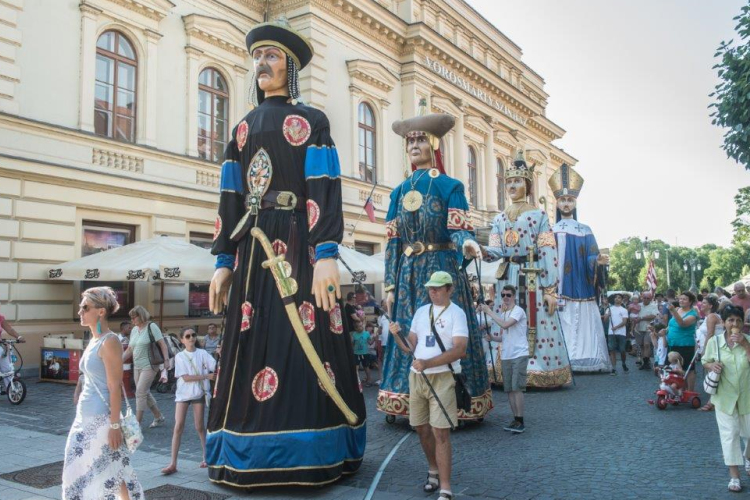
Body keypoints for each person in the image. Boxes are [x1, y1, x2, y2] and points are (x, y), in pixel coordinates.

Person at [206, 19, 366, 487]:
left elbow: (324, 188)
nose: (262, 63)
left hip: (297, 239)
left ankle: (316, 445)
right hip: (254, 248)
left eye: (272, 56)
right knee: (251, 341)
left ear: (291, 67)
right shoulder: (239, 130)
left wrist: (326, 253)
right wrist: (221, 262)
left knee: (304, 338)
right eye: (258, 56)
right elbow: (229, 199)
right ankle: (245, 450)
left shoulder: (314, 122)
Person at [378, 104, 491, 422]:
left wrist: (467, 242)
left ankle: (457, 400)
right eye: (410, 142)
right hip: (408, 275)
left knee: (441, 330)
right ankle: (403, 398)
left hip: (440, 269)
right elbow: (393, 242)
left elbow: (458, 229)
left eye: (420, 141)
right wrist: (389, 283)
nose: (414, 147)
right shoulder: (398, 193)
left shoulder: (450, 186)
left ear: (434, 145)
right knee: (409, 335)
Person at [482, 151, 572, 388]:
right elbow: (494, 250)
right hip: (507, 276)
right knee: (505, 317)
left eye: (517, 181)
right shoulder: (499, 219)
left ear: (528, 185)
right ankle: (503, 367)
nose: (512, 185)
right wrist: (479, 251)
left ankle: (538, 368)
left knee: (535, 320)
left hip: (533, 276)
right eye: (509, 182)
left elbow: (548, 251)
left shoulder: (539, 215)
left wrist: (551, 288)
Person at [389, 271, 468, 500]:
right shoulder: (421, 312)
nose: (432, 292)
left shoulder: (457, 314)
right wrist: (397, 335)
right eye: (430, 289)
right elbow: (409, 346)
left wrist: (428, 362)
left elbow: (459, 349)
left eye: (438, 288)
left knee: (440, 432)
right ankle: (432, 470)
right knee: (421, 428)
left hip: (442, 377)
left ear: (449, 289)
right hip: (417, 378)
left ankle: (445, 487)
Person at [63, 287, 143, 500]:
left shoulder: (110, 341)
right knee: (110, 470)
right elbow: (89, 375)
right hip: (86, 416)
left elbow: (115, 385)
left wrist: (115, 425)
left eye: (85, 307)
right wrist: (79, 391)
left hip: (101, 419)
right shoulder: (94, 339)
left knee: (112, 472)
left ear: (100, 311)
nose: (80, 311)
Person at [548, 164, 611, 372]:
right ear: (556, 203)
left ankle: (587, 358)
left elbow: (591, 255)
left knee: (581, 323)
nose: (566, 204)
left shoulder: (585, 230)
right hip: (558, 289)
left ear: (575, 203)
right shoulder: (550, 230)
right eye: (562, 200)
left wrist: (597, 260)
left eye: (570, 200)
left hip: (581, 286)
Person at [701, 305, 750, 492]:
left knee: (749, 434)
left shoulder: (748, 340)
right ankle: (734, 476)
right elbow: (705, 361)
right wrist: (712, 365)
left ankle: (748, 457)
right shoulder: (715, 341)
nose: (734, 324)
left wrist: (745, 345)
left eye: (738, 320)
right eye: (730, 320)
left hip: (747, 396)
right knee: (729, 436)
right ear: (723, 322)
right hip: (724, 398)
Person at [161, 327, 216, 475]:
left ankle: (206, 457)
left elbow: (214, 367)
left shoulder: (203, 353)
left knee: (199, 426)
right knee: (178, 426)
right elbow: (185, 378)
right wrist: (206, 376)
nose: (191, 338)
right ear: (182, 340)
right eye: (188, 336)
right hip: (184, 394)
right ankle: (173, 463)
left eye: (193, 335)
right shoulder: (180, 356)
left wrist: (220, 355)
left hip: (198, 392)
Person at [480, 284, 528, 433]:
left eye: (508, 295)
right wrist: (493, 338)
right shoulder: (505, 313)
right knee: (509, 389)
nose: (505, 298)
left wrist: (489, 312)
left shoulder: (518, 311)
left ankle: (520, 420)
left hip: (519, 353)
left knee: (516, 387)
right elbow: (504, 336)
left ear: (513, 296)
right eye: (503, 295)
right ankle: (515, 418)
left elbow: (506, 325)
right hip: (507, 354)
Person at [121, 305, 169, 426]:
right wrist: (118, 361)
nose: (132, 321)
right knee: (144, 392)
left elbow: (162, 344)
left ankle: (137, 423)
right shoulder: (134, 330)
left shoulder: (152, 327)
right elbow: (130, 349)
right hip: (137, 366)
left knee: (140, 392)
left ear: (141, 316)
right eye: (131, 318)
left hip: (150, 364)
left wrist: (166, 360)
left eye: (134, 318)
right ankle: (158, 416)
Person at [667, 291, 699, 392]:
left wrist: (673, 311)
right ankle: (680, 388)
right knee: (676, 367)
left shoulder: (693, 314)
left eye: (684, 299)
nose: (681, 300)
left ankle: (690, 391)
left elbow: (682, 323)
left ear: (690, 302)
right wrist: (665, 330)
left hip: (685, 344)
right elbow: (672, 324)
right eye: (680, 298)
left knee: (688, 368)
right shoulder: (678, 309)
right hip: (673, 343)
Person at [604, 293, 629, 374]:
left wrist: (616, 327)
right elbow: (605, 320)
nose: (617, 299)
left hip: (621, 333)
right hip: (611, 333)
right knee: (612, 350)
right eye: (616, 297)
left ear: (621, 300)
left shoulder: (624, 310)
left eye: (619, 298)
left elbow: (624, 322)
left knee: (622, 350)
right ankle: (614, 368)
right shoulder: (609, 309)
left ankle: (623, 363)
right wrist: (608, 315)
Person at [0, 310, 23, 395]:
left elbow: (9, 329)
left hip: (1, 347)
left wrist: (19, 337)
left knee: (7, 369)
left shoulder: (0, 317)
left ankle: (11, 389)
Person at [635, 292, 659, 370]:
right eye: (644, 298)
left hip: (649, 328)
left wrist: (641, 318)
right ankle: (645, 361)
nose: (645, 299)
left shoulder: (653, 306)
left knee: (646, 344)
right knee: (641, 345)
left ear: (651, 299)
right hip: (638, 328)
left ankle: (646, 363)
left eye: (647, 298)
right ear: (642, 298)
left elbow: (653, 316)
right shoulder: (638, 305)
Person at [352, 320, 374, 386]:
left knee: (366, 367)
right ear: (356, 328)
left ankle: (369, 379)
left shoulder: (366, 333)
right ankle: (356, 381)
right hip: (356, 353)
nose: (361, 327)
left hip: (365, 353)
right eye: (359, 327)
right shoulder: (354, 334)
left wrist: (374, 339)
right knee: (356, 367)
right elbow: (352, 344)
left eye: (362, 326)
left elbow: (370, 343)